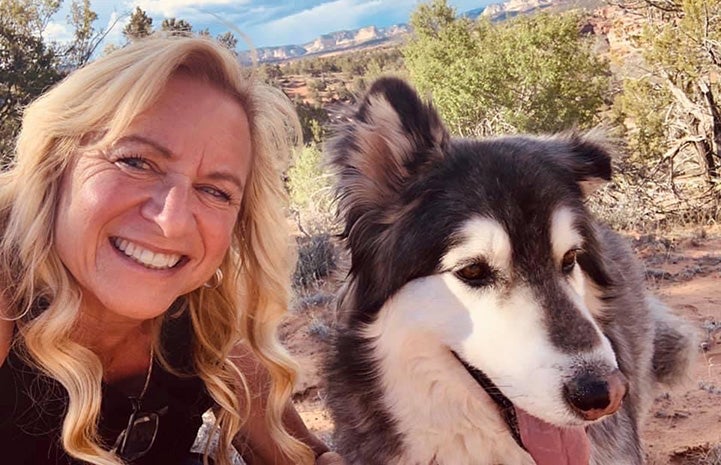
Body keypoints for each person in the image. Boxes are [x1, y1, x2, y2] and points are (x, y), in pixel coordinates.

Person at [0, 34, 345, 465]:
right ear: (54, 164)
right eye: (136, 162)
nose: (172, 220)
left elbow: (298, 457)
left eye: (215, 191)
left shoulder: (204, 321)